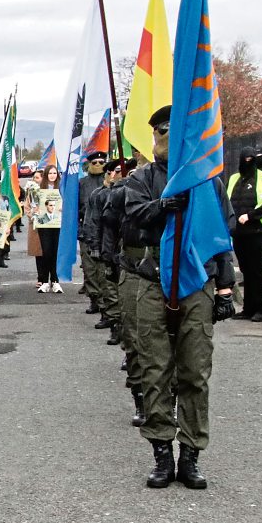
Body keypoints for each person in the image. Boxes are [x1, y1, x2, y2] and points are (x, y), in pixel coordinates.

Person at [124, 105, 235, 489]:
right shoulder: (142, 179)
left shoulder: (208, 182)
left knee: (195, 372)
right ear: (154, 135)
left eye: (177, 130)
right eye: (163, 130)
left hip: (197, 280)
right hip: (153, 280)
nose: (169, 137)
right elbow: (132, 220)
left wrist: (225, 287)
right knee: (155, 370)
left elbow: (221, 237)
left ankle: (190, 455)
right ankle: (161, 453)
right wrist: (162, 207)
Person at [101, 156, 145, 426]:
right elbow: (109, 223)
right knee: (134, 336)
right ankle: (141, 398)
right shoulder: (126, 188)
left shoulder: (190, 181)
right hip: (133, 266)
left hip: (176, 270)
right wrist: (108, 259)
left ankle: (171, 399)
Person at [87, 160, 123, 342]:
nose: (116, 174)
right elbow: (95, 222)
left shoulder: (133, 191)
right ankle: (114, 323)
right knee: (109, 288)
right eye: (114, 171)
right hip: (108, 247)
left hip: (127, 249)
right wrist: (94, 245)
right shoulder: (101, 195)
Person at [227, 146, 262, 321]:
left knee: (256, 272)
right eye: (246, 159)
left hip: (257, 231)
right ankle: (248, 308)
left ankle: (261, 309)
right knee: (246, 272)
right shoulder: (234, 178)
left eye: (251, 159)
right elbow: (227, 201)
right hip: (239, 233)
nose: (248, 162)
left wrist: (250, 216)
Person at [79, 150, 108, 315]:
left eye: (101, 162)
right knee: (89, 268)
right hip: (87, 231)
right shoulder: (82, 183)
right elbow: (75, 208)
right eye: (94, 163)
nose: (98, 165)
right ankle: (94, 299)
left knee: (103, 269)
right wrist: (79, 230)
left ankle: (105, 302)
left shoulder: (108, 182)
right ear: (89, 164)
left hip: (105, 232)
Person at [34, 166, 63, 293]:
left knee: (55, 252)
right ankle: (45, 281)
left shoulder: (62, 188)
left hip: (58, 224)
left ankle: (55, 281)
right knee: (46, 252)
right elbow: (34, 205)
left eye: (54, 173)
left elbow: (69, 203)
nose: (52, 175)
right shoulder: (40, 189)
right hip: (44, 225)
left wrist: (63, 207)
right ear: (46, 175)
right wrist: (36, 210)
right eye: (50, 173)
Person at [24, 170, 44, 287]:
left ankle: (51, 277)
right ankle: (40, 277)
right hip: (36, 225)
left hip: (49, 225)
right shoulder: (31, 193)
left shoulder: (49, 191)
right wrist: (33, 214)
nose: (34, 180)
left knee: (49, 252)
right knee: (38, 252)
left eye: (37, 178)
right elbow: (27, 208)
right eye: (34, 178)